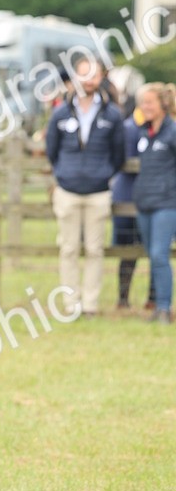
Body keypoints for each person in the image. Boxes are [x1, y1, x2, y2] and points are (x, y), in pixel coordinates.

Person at [45, 56, 125, 316]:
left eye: (94, 75)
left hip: (98, 192)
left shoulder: (113, 114)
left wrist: (103, 174)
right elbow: (52, 150)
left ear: (101, 78)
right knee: (68, 249)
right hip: (67, 191)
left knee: (94, 250)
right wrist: (64, 173)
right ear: (75, 77)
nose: (89, 80)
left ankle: (90, 304)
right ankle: (71, 303)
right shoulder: (60, 112)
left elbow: (119, 154)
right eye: (84, 74)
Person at [133, 82, 176, 325]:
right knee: (152, 255)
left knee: (160, 255)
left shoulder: (172, 131)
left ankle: (164, 308)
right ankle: (158, 306)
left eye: (150, 102)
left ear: (163, 103)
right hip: (145, 202)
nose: (145, 107)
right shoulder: (143, 132)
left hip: (167, 203)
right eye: (142, 103)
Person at [112, 103, 155, 312]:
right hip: (128, 194)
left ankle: (153, 298)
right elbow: (125, 160)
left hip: (153, 196)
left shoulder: (162, 128)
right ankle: (123, 298)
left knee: (157, 249)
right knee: (128, 248)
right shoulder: (129, 128)